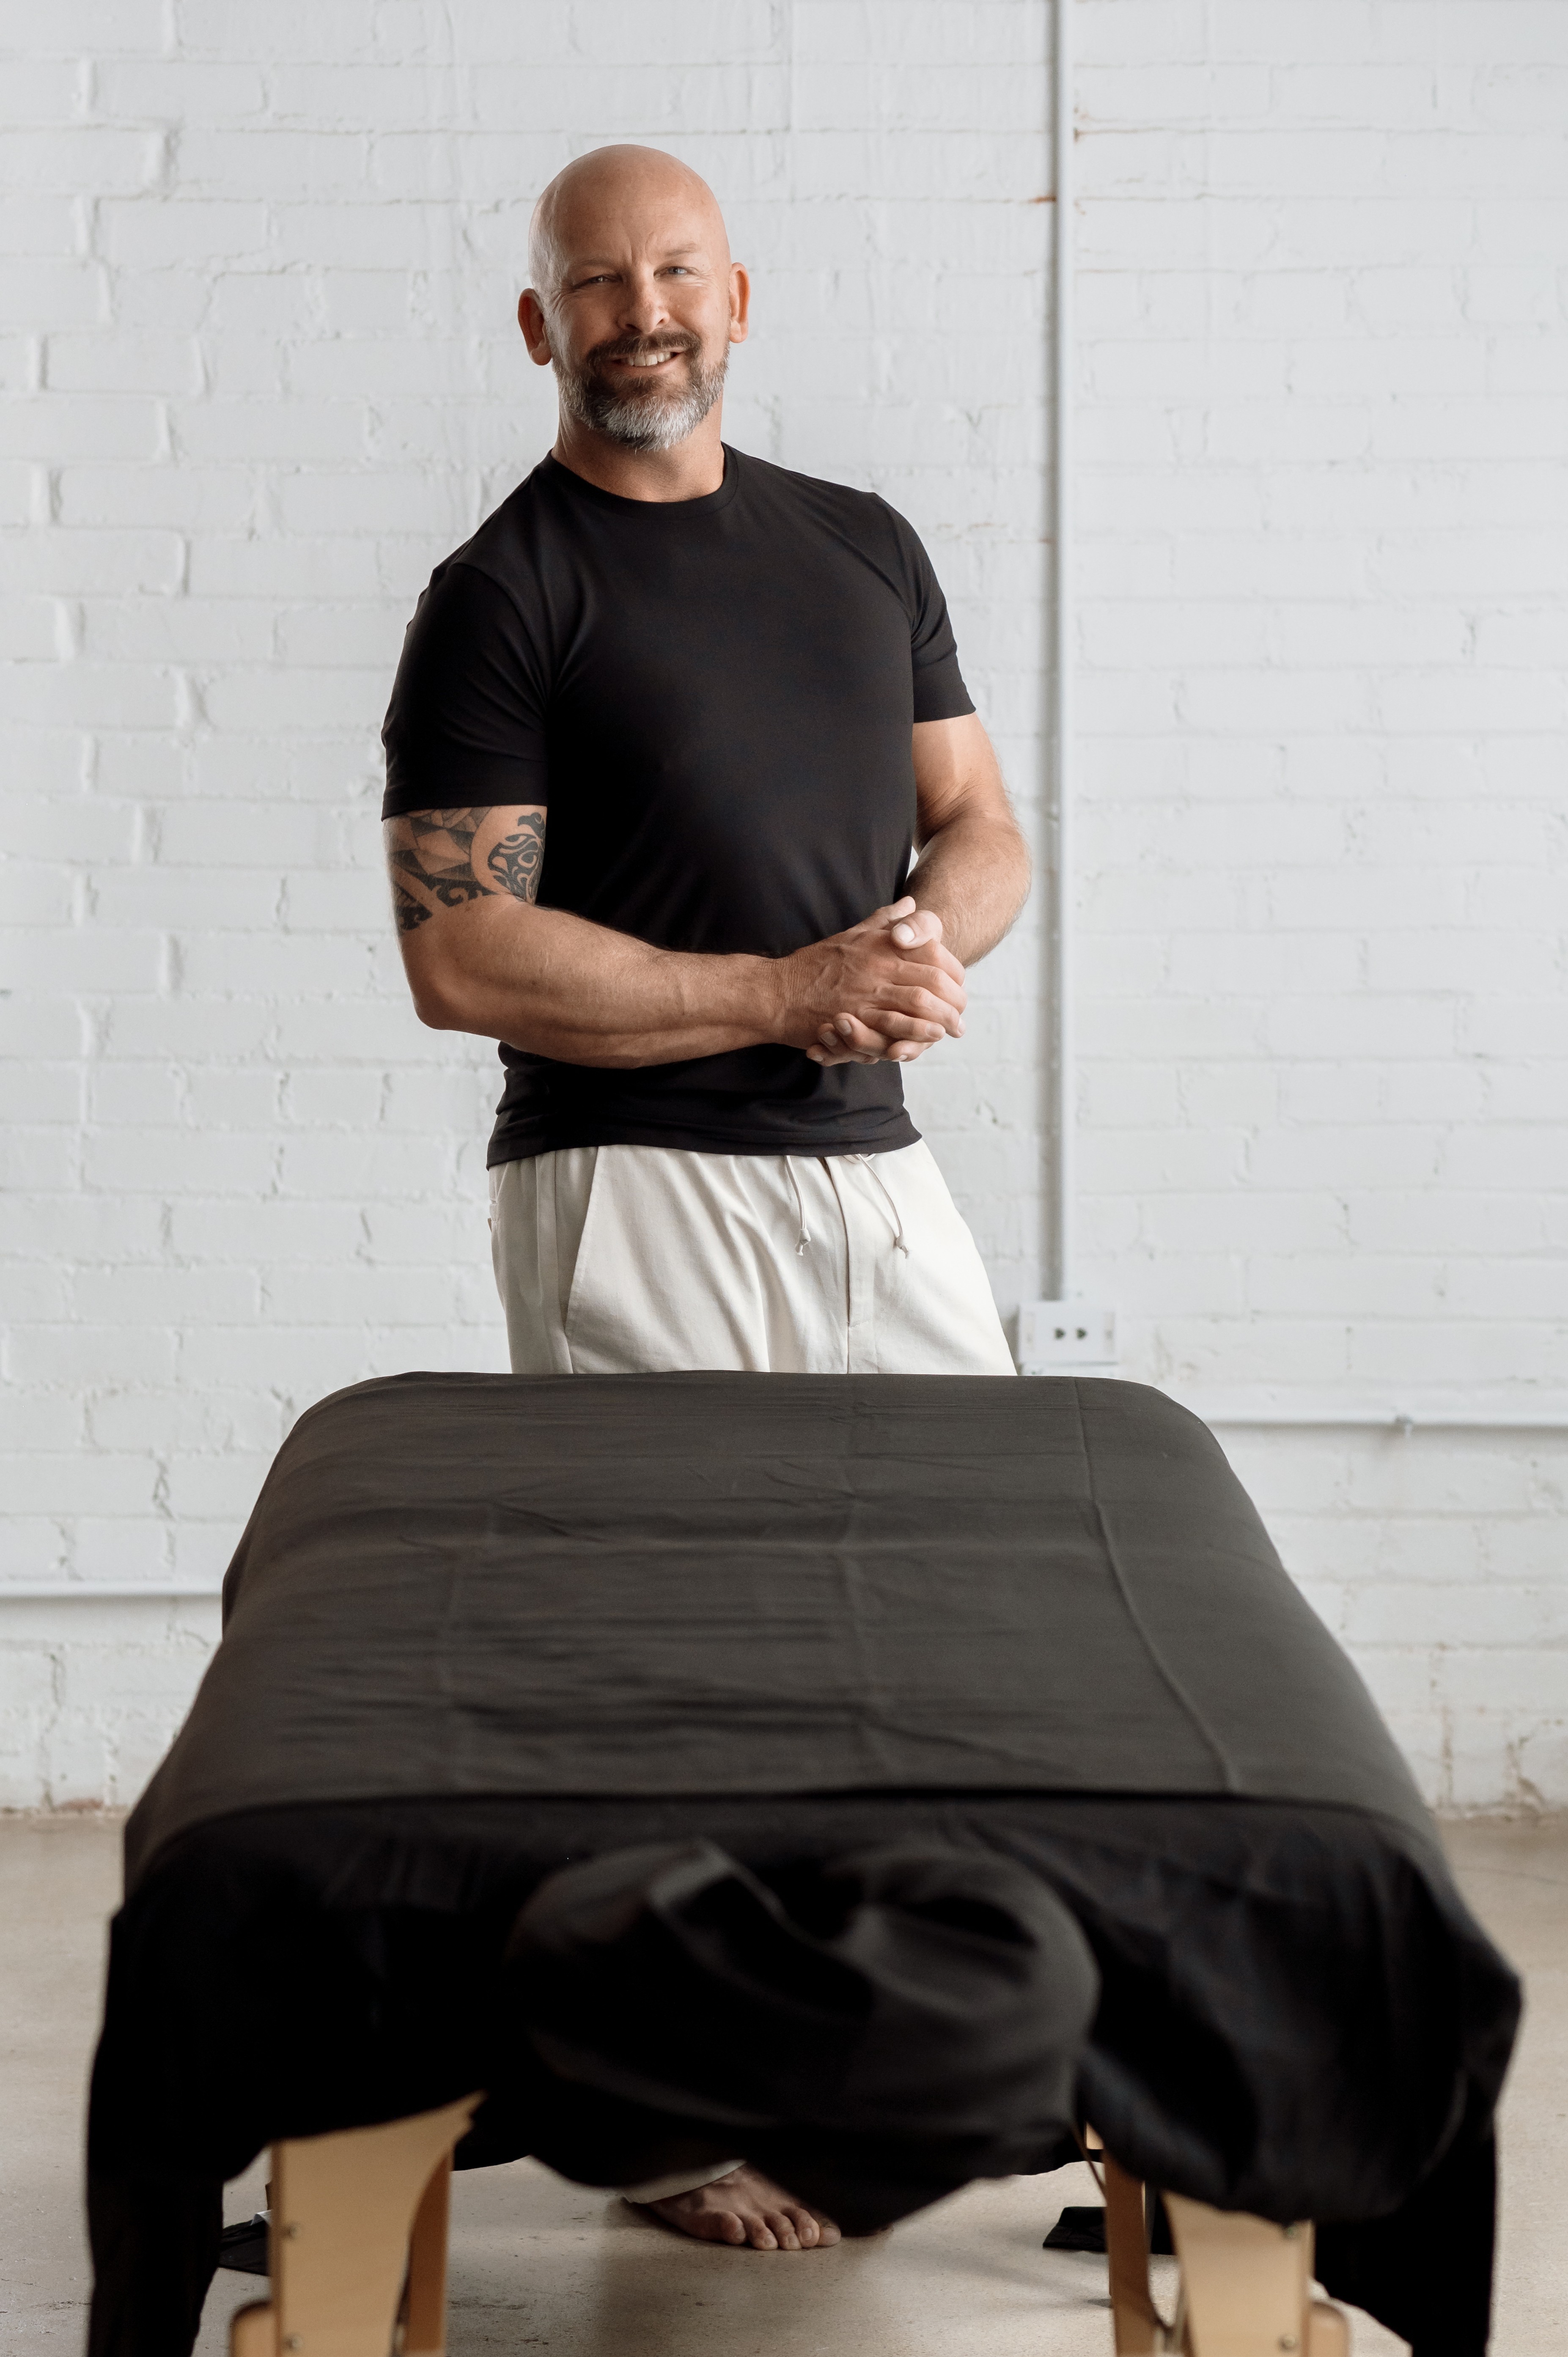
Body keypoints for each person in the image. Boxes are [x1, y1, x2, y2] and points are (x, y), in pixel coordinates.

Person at [379, 145, 1032, 2248]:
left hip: (873, 1169)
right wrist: (783, 988)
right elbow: (462, 953)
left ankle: (924, 2058)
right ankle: (667, 2124)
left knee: (961, 1606)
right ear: (539, 324)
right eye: (597, 282)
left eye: (677, 273)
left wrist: (921, 949)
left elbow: (981, 820)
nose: (643, 312)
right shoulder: (501, 595)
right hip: (626, 1184)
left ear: (737, 298)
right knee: (669, 1672)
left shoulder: (864, 546)